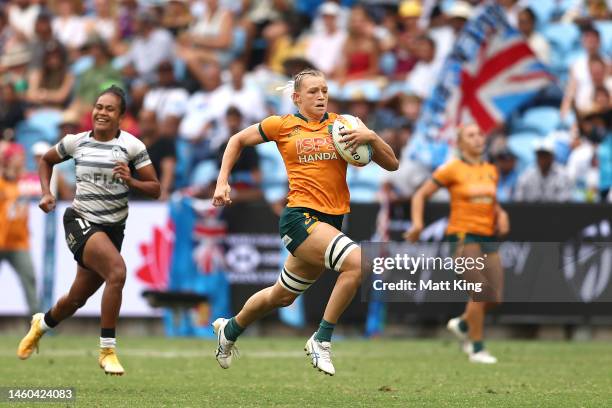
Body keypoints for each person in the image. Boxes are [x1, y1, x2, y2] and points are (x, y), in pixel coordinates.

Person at [211, 68, 399, 376]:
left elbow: (392, 164)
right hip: (299, 218)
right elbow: (236, 140)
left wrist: (371, 137)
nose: (321, 96)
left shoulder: (344, 126)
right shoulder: (282, 125)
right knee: (359, 262)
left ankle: (229, 330)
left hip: (330, 222)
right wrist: (222, 182)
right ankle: (321, 339)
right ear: (297, 97)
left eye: (324, 90)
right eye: (313, 91)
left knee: (280, 296)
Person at [16, 85, 160, 376]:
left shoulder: (132, 147)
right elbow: (46, 160)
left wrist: (131, 181)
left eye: (109, 109)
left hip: (112, 230)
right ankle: (107, 350)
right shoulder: (76, 142)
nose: (101, 112)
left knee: (75, 300)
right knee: (117, 272)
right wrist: (46, 192)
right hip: (80, 220)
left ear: (121, 117)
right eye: (98, 106)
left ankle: (41, 325)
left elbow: (155, 188)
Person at [405, 124, 509, 364]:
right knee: (481, 292)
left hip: (487, 236)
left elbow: (491, 201)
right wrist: (418, 224)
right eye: (471, 135)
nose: (477, 138)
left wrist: (501, 214)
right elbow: (420, 195)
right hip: (463, 236)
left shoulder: (491, 170)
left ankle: (463, 323)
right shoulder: (452, 169)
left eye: (479, 134)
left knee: (495, 298)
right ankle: (477, 348)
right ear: (460, 143)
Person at [0, 143, 38, 315]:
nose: (22, 160)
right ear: (8, 160)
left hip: (19, 241)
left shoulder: (26, 180)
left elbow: (43, 185)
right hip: (1, 239)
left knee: (29, 279)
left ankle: (37, 323)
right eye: (18, 156)